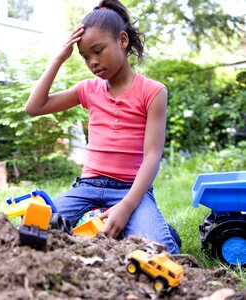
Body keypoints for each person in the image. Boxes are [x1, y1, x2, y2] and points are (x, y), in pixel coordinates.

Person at [25, 0, 180, 253]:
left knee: (158, 249)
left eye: (98, 51)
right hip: (88, 188)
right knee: (31, 225)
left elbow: (152, 156)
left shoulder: (153, 92)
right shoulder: (88, 89)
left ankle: (148, 224)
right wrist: (59, 59)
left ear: (122, 40)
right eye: (86, 57)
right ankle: (109, 223)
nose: (93, 62)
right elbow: (34, 107)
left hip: (131, 191)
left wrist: (127, 206)